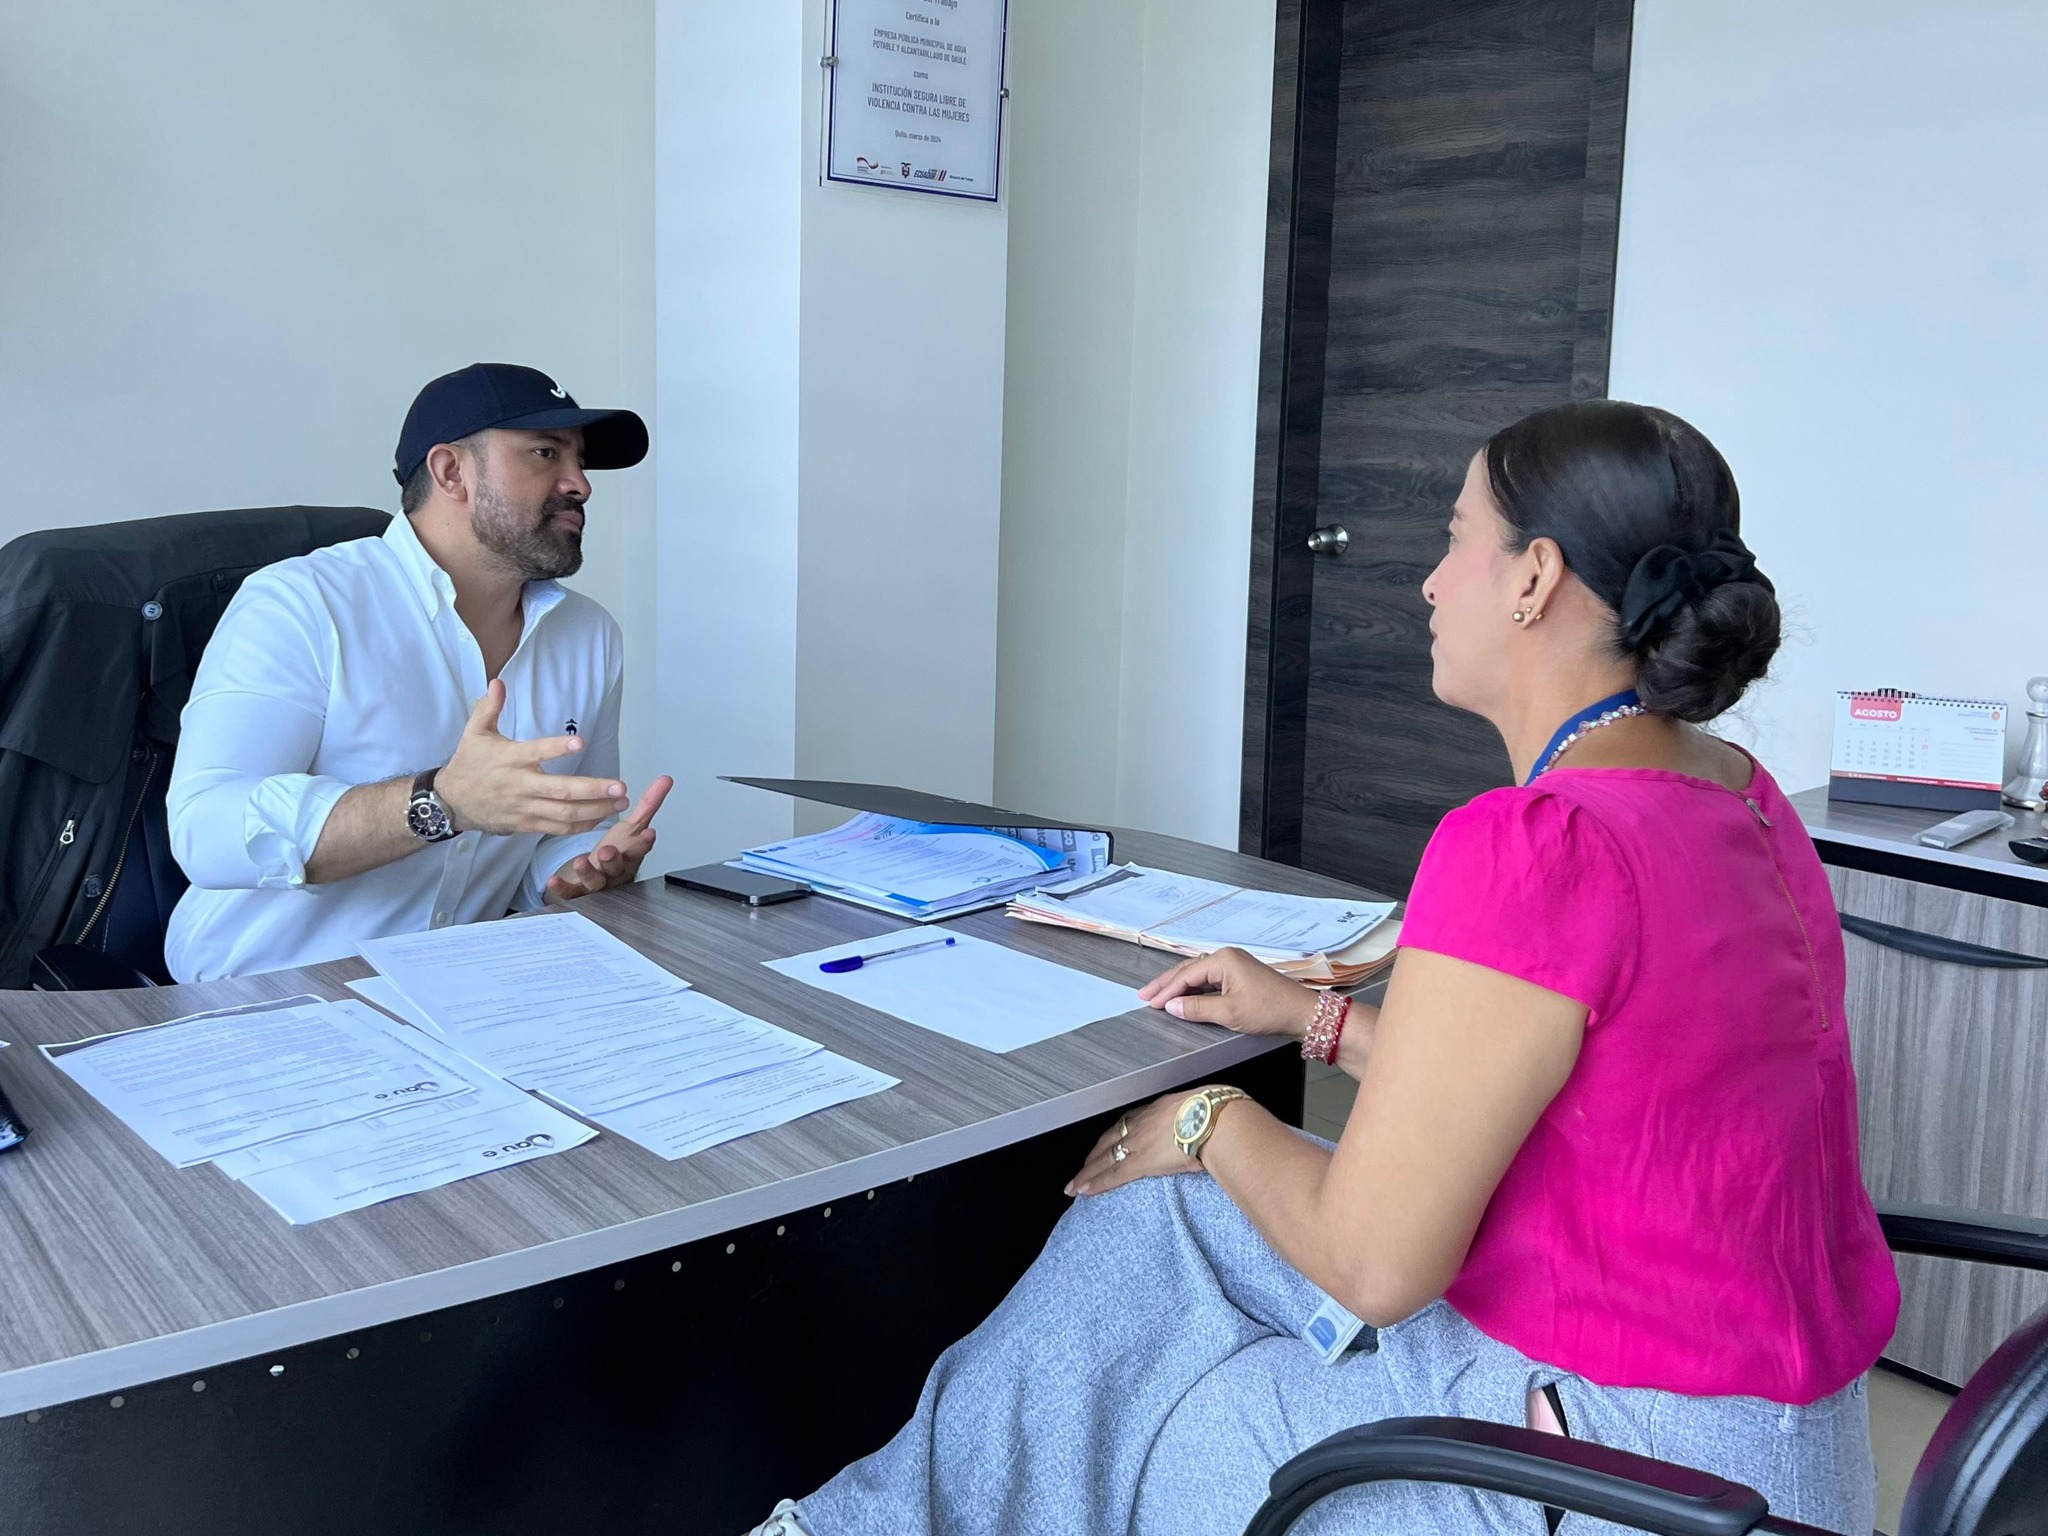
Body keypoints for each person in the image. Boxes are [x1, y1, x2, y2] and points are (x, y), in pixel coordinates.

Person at [750, 401, 1900, 1536]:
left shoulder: (1538, 843)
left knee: (1145, 1418)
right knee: (1155, 1213)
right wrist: (1315, 1020)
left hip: (1606, 1464)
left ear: (1533, 577)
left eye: (1454, 539)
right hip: (1763, 1453)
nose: (1430, 584)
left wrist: (1211, 1116)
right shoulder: (1735, 796)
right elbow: (1563, 1080)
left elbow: (1372, 1264)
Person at [165, 363, 673, 981]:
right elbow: (206, 829)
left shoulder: (589, 635)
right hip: (264, 989)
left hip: (461, 987)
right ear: (451, 471)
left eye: (581, 461)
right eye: (546, 453)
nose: (580, 485)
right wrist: (441, 802)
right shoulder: (301, 604)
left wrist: (574, 869)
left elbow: (551, 836)